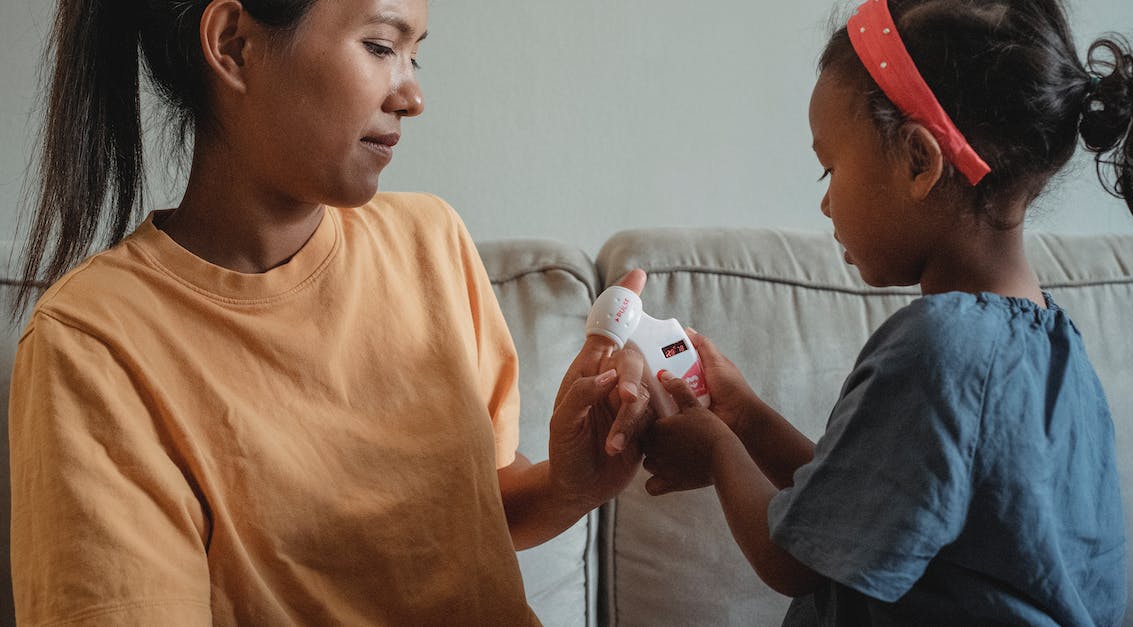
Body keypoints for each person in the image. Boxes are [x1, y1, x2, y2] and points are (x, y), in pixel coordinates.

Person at [8, 0, 653, 624]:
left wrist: (570, 485)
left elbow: (469, 518)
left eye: (414, 56)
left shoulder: (433, 242)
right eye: (380, 46)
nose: (412, 97)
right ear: (234, 44)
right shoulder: (93, 344)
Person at [640, 0, 1133, 625]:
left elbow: (793, 561)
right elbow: (857, 507)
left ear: (918, 161)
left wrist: (717, 451)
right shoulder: (1059, 351)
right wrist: (746, 416)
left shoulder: (939, 346)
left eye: (830, 168)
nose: (825, 205)